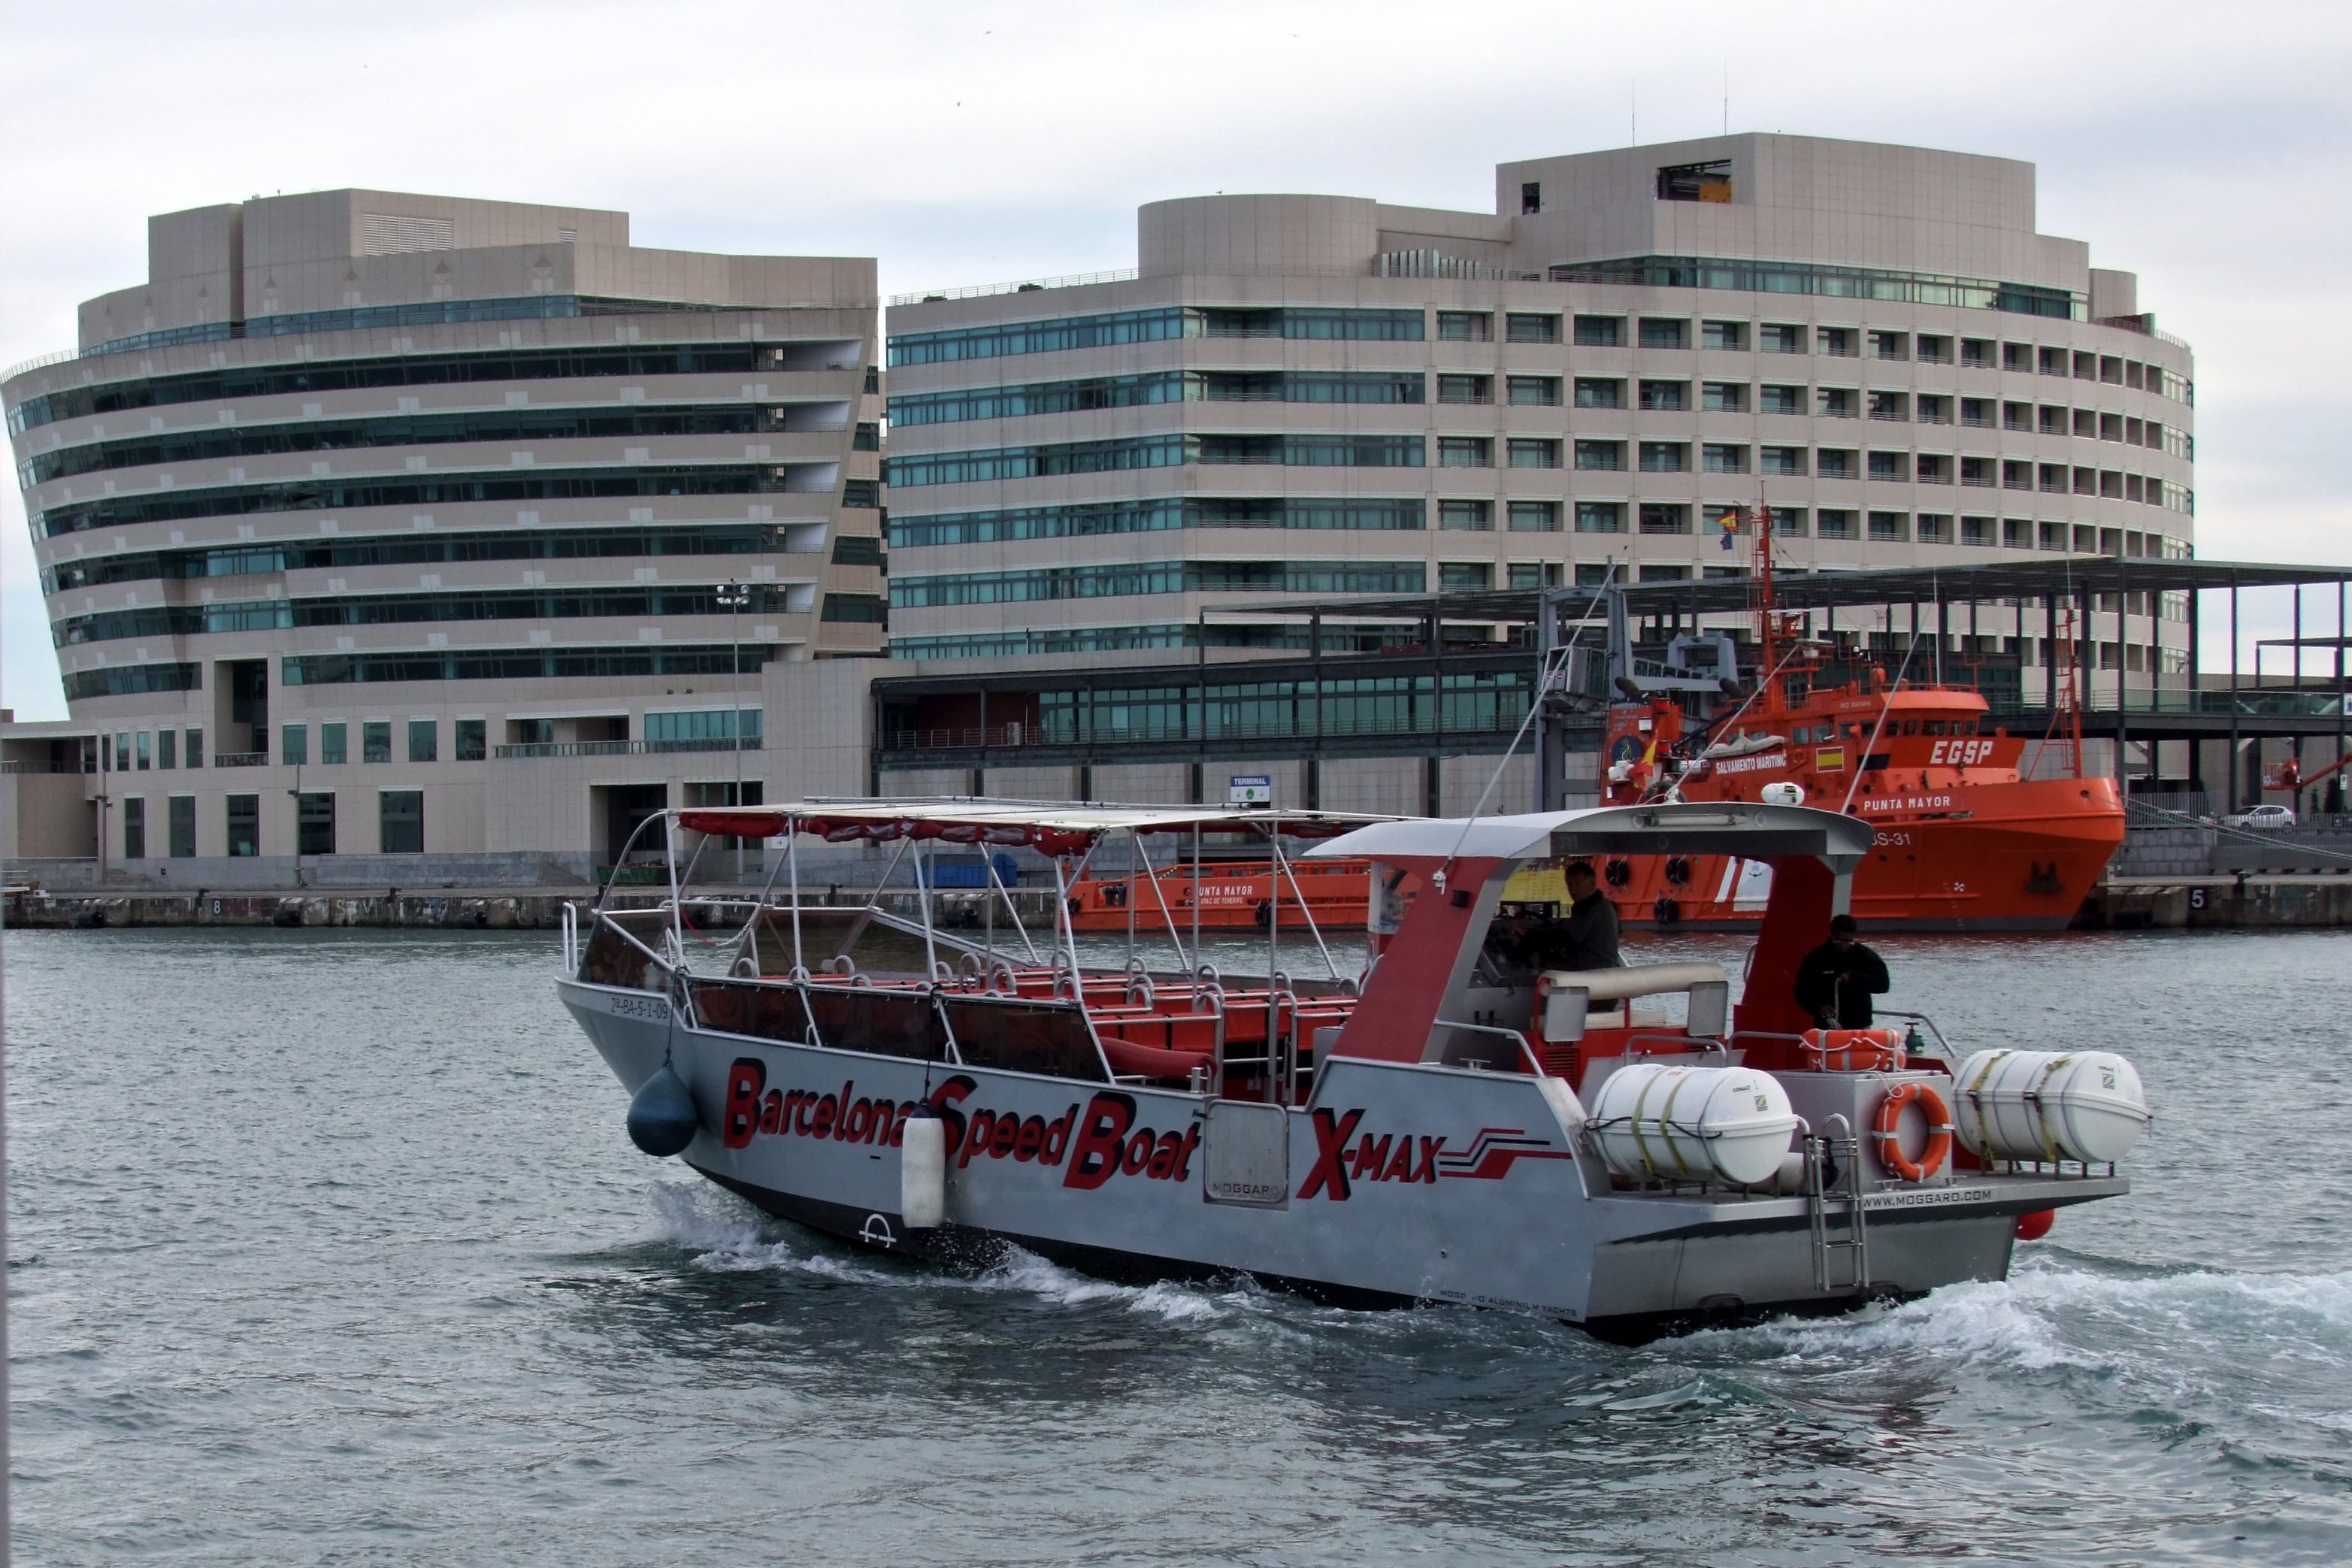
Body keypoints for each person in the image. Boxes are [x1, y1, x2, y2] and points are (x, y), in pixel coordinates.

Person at [1794, 913, 1891, 1028]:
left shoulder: (1866, 956)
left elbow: (1883, 985)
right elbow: (1802, 990)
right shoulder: (1816, 958)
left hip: (1859, 1023)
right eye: (1839, 942)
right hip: (1828, 1024)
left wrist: (1855, 978)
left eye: (1849, 942)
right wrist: (1819, 1007)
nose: (1844, 946)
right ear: (1832, 935)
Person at [1523, 860, 1622, 972]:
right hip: (1603, 969)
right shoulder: (1604, 904)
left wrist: (1529, 934)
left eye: (1578, 883)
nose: (1573, 890)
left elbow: (1566, 937)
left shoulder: (1589, 907)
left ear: (1592, 884)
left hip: (1591, 971)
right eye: (1570, 885)